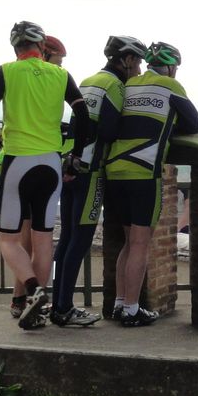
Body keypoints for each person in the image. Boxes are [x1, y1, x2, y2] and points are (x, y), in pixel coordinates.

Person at [0, 21, 89, 330]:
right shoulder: (61, 75)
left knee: (8, 239)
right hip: (51, 164)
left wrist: (0, 138)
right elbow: (83, 115)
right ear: (42, 48)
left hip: (18, 162)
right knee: (43, 240)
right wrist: (75, 157)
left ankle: (31, 290)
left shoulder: (7, 71)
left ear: (15, 49)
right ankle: (38, 309)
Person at [104, 41, 198, 327]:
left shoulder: (130, 84)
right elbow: (194, 124)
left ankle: (120, 303)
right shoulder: (171, 87)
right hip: (144, 171)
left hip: (115, 170)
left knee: (127, 243)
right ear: (171, 67)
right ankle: (133, 310)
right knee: (140, 244)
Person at [51, 35, 147, 327]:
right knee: (80, 240)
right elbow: (108, 129)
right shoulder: (116, 86)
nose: (140, 70)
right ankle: (64, 308)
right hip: (91, 169)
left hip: (70, 162)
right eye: (139, 62)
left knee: (66, 237)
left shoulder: (90, 80)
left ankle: (58, 303)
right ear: (127, 60)